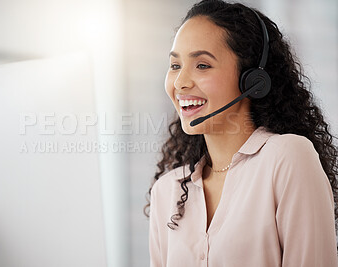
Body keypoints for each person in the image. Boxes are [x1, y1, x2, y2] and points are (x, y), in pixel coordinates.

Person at [144, 0, 338, 266]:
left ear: (252, 81)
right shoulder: (167, 191)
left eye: (202, 65)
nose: (180, 82)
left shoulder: (287, 157)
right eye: (175, 66)